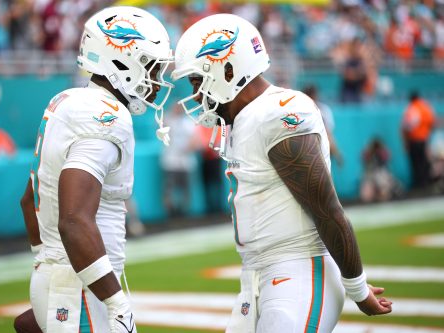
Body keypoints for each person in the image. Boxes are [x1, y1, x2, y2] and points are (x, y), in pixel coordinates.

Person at [172, 13, 392, 333]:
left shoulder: (278, 112)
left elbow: (326, 208)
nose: (195, 93)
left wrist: (357, 287)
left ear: (228, 70)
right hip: (259, 276)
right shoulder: (243, 118)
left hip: (299, 270)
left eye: (197, 80)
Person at [14, 6, 173, 333]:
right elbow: (73, 220)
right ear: (123, 62)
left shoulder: (66, 100)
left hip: (67, 279)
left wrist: (47, 265)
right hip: (81, 289)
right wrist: (116, 302)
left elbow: (30, 200)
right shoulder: (106, 115)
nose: (157, 82)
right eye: (152, 69)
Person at [160, 103, 197, 217]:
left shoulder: (188, 122)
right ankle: (171, 211)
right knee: (169, 188)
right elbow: (163, 127)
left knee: (185, 188)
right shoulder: (169, 120)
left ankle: (183, 211)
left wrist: (188, 148)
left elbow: (194, 139)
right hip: (171, 161)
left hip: (185, 161)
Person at [401, 90, 436, 190]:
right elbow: (431, 123)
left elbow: (405, 127)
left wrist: (405, 142)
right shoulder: (425, 108)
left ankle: (419, 185)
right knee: (424, 162)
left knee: (416, 163)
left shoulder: (411, 109)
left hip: (414, 140)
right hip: (424, 139)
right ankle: (427, 184)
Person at [303, 84, 343, 166]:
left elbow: (328, 132)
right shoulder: (299, 109)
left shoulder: (324, 109)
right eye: (308, 94)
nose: (311, 97)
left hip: (321, 141)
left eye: (311, 94)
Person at [360, 138, 402, 202]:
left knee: (384, 190)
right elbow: (364, 161)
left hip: (381, 174)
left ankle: (384, 195)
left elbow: (387, 158)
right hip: (370, 175)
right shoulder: (368, 154)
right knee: (366, 197)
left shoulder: (382, 153)